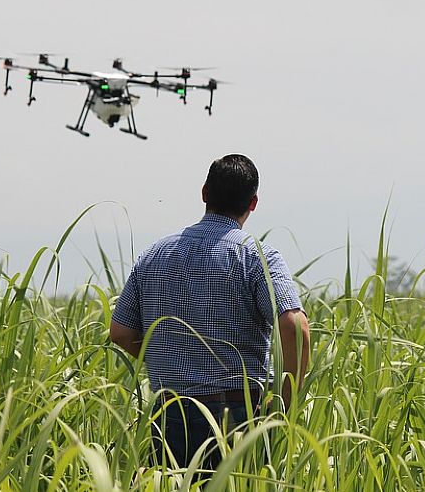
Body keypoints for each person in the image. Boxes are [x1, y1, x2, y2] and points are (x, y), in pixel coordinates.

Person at [109, 154, 311, 470]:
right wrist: (284, 403)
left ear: (204, 193)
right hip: (236, 415)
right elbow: (295, 326)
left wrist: (170, 356)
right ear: (253, 203)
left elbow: (120, 332)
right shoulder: (258, 257)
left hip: (170, 411)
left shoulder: (154, 255)